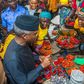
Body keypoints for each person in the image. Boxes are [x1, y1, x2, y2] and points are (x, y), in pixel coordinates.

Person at [3, 15, 51, 84]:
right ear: (25, 36)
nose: (37, 36)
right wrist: (42, 66)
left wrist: (38, 58)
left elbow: (26, 55)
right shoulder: (12, 59)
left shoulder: (21, 42)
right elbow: (23, 81)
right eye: (35, 34)